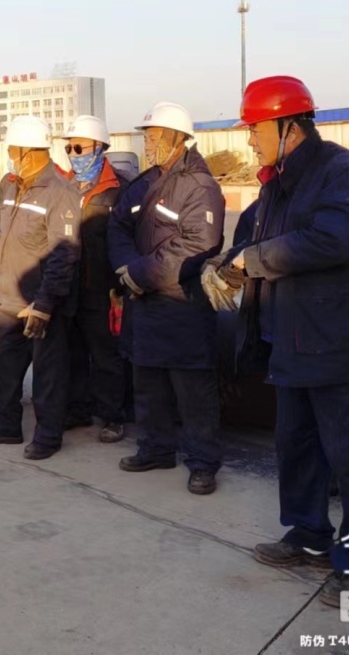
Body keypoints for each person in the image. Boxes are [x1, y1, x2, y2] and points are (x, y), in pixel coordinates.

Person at [201, 76, 349, 607]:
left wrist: (254, 260)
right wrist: (223, 264)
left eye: (256, 128)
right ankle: (308, 533)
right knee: (297, 446)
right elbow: (252, 241)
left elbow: (334, 239)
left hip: (348, 346)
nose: (249, 140)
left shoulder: (345, 172)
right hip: (295, 343)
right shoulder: (276, 186)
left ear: (289, 127)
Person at [107, 102, 225, 495]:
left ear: (177, 139)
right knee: (148, 381)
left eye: (154, 136)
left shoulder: (199, 186)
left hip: (181, 303)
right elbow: (118, 226)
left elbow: (199, 244)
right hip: (144, 302)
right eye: (146, 136)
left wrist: (142, 274)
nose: (148, 143)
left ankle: (203, 462)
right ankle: (156, 448)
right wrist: (127, 269)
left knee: (193, 390)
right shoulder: (144, 183)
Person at [0, 116, 82, 457]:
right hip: (12, 300)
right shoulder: (11, 186)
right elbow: (2, 237)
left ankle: (47, 437)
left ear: (29, 152)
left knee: (48, 374)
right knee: (2, 365)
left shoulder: (60, 192)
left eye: (12, 150)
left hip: (43, 303)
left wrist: (45, 304)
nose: (9, 156)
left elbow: (64, 254)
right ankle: (2, 426)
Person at [57, 115, 130, 442]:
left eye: (79, 148)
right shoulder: (64, 187)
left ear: (99, 147)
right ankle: (78, 408)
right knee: (72, 353)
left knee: (105, 355)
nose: (73, 154)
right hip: (69, 286)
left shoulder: (120, 190)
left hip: (104, 288)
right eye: (69, 148)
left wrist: (122, 285)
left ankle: (112, 415)